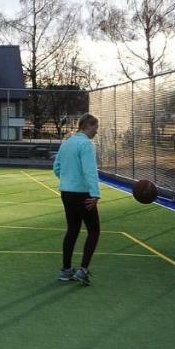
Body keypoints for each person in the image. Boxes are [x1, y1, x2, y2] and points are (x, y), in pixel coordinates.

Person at [54, 113, 101, 286]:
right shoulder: (87, 144)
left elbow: (57, 167)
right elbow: (90, 171)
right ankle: (83, 270)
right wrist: (95, 194)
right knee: (94, 231)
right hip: (83, 194)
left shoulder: (67, 143)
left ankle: (66, 270)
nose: (96, 132)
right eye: (95, 128)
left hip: (66, 192)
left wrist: (68, 180)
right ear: (87, 126)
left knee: (72, 229)